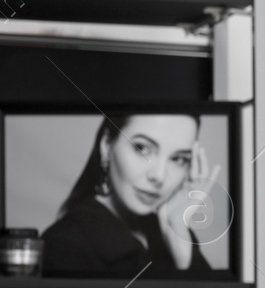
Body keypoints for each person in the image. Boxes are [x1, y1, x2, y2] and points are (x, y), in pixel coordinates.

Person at [42, 113, 221, 278]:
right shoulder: (62, 246)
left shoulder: (174, 230)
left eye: (178, 159)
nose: (159, 176)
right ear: (106, 145)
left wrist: (181, 242)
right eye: (142, 148)